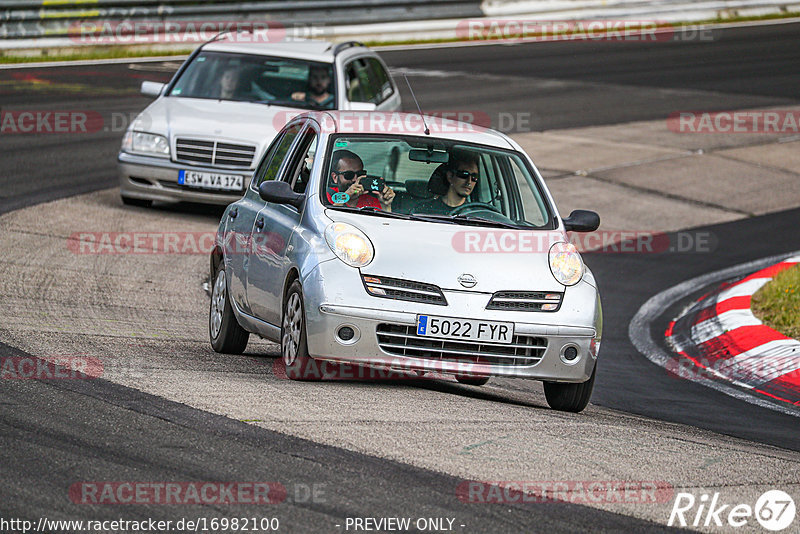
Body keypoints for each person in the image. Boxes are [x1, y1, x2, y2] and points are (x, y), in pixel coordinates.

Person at [414, 149, 480, 215]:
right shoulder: (424, 210)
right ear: (450, 176)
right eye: (464, 174)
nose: (469, 181)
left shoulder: (475, 215)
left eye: (474, 177)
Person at [326, 150, 395, 211]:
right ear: (335, 177)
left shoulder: (372, 200)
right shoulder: (325, 195)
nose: (355, 179)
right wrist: (347, 195)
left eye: (360, 174)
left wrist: (386, 206)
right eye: (349, 175)